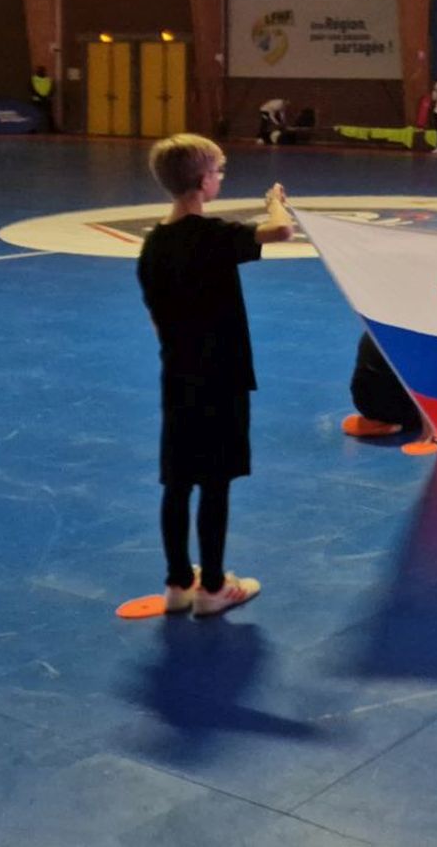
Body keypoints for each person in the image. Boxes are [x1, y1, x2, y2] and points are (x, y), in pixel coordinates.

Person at [136, 135, 293, 618]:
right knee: (215, 481)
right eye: (218, 172)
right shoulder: (214, 236)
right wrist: (275, 202)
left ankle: (178, 582)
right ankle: (213, 587)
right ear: (203, 181)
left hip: (178, 375)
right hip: (222, 375)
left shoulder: (154, 245)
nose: (220, 179)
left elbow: (157, 319)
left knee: (178, 480)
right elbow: (280, 231)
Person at [343, 332, 419, 439]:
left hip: (363, 402)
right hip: (397, 407)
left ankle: (385, 423)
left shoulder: (372, 329)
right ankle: (399, 423)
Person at [30, 64, 55, 133]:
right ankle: (33, 129)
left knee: (49, 115)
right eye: (39, 71)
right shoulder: (33, 79)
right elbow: (32, 89)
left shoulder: (48, 79)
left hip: (46, 100)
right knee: (35, 115)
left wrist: (48, 96)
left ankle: (51, 129)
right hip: (37, 100)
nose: (41, 72)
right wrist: (40, 96)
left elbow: (52, 89)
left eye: (42, 71)